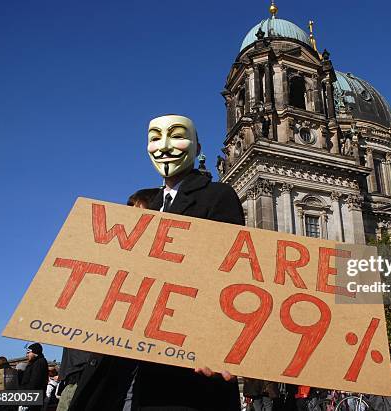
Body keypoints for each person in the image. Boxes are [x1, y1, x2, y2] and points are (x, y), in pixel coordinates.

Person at [69, 114, 244, 410]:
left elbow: (229, 272)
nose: (164, 146)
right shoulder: (147, 207)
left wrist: (215, 343)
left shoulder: (217, 196)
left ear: (197, 145)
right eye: (154, 138)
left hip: (183, 368)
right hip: (128, 362)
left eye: (176, 135)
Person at [20, 343, 50, 411]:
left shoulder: (39, 362)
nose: (26, 355)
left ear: (35, 352)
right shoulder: (34, 363)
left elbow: (35, 382)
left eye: (28, 352)